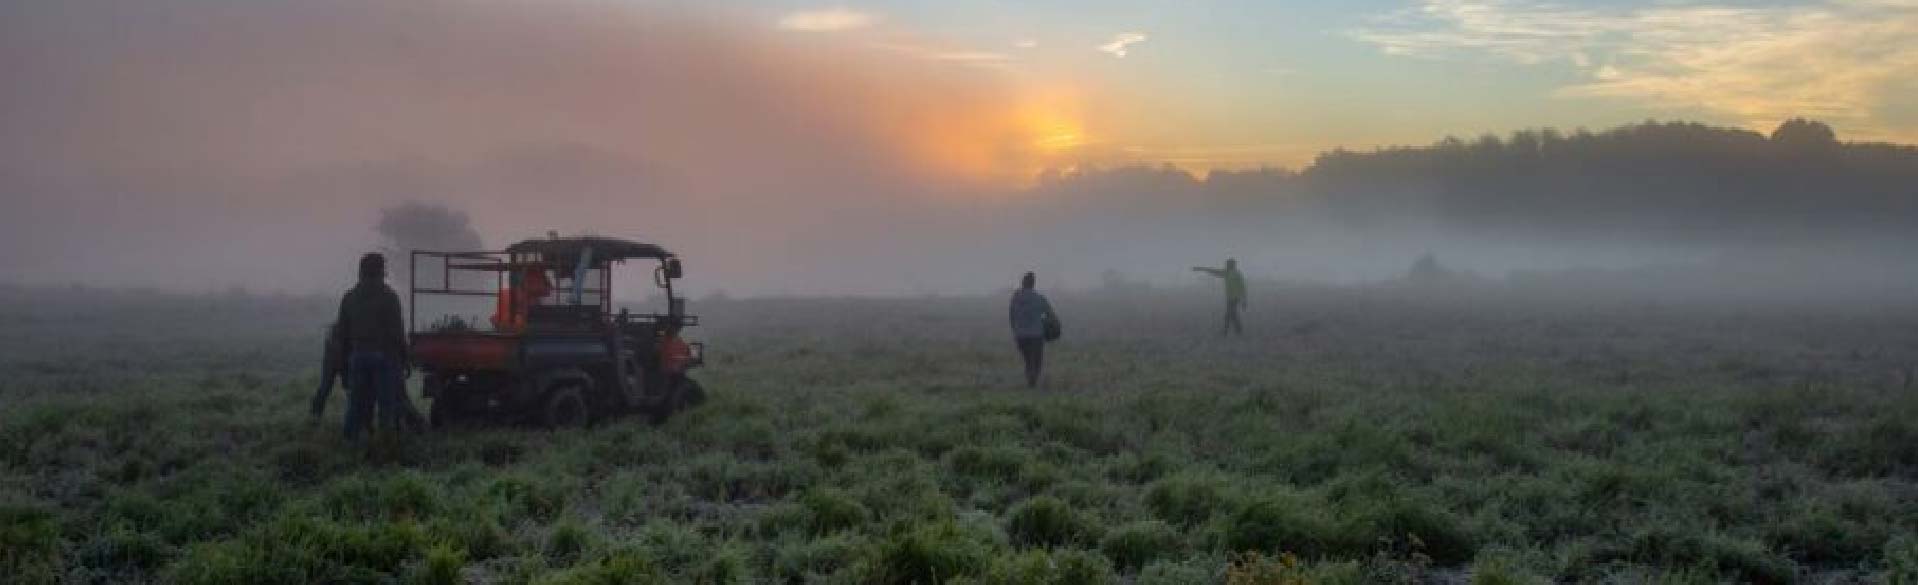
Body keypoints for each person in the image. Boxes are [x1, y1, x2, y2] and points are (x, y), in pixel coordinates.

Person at [335, 253, 423, 441]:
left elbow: (342, 335)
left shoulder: (349, 298)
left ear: (361, 271)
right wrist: (406, 358)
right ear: (381, 271)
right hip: (384, 357)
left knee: (355, 405)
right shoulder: (389, 297)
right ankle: (386, 444)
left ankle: (350, 443)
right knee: (387, 406)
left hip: (358, 356)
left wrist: (343, 365)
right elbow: (397, 333)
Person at [1007, 271, 1060, 388]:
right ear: (1033, 284)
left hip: (1020, 335)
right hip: (1036, 335)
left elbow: (1011, 316)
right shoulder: (1039, 298)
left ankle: (1030, 381)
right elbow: (1051, 315)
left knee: (1028, 360)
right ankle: (1032, 382)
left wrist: (1015, 330)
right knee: (1036, 361)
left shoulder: (1015, 299)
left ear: (1023, 283)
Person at [1192, 258, 1247, 336]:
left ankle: (1226, 332)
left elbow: (1242, 288)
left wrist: (1244, 300)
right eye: (1227, 264)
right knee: (1232, 315)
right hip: (1230, 298)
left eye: (1228, 264)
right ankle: (1237, 331)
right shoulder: (1227, 273)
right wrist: (1201, 269)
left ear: (1232, 265)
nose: (1226, 266)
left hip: (1234, 298)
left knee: (1229, 315)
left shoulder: (1236, 274)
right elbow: (1215, 271)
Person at [308, 322, 346, 422]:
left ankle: (314, 414)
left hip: (334, 356)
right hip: (341, 356)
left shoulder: (338, 325)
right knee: (353, 391)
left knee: (325, 387)